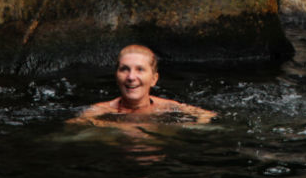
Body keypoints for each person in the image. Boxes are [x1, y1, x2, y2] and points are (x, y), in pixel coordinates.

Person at [73, 44, 215, 124]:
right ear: (116, 76)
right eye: (124, 69)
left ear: (154, 79)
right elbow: (71, 129)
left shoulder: (168, 107)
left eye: (140, 69)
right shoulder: (100, 111)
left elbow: (208, 116)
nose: (131, 77)